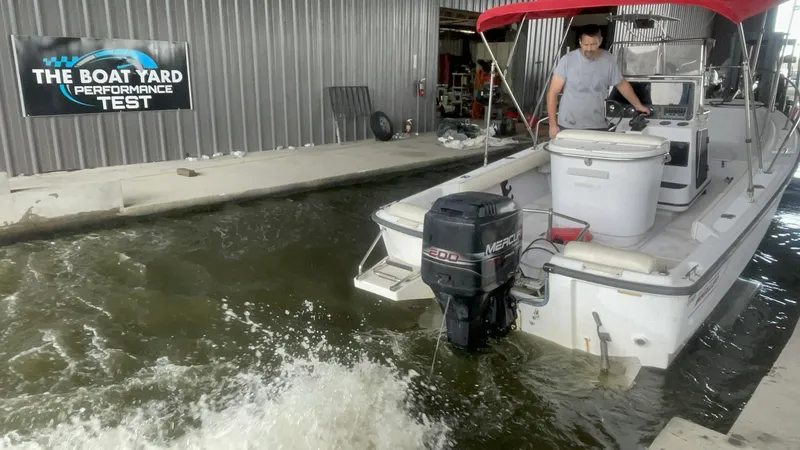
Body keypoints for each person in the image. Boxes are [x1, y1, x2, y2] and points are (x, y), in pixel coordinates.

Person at [547, 24, 650, 140]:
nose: (589, 49)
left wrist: (638, 105)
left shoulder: (608, 60)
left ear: (600, 41)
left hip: (597, 125)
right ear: (580, 42)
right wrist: (552, 125)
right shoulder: (567, 60)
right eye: (586, 44)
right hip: (568, 125)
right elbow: (553, 93)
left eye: (593, 44)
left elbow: (621, 84)